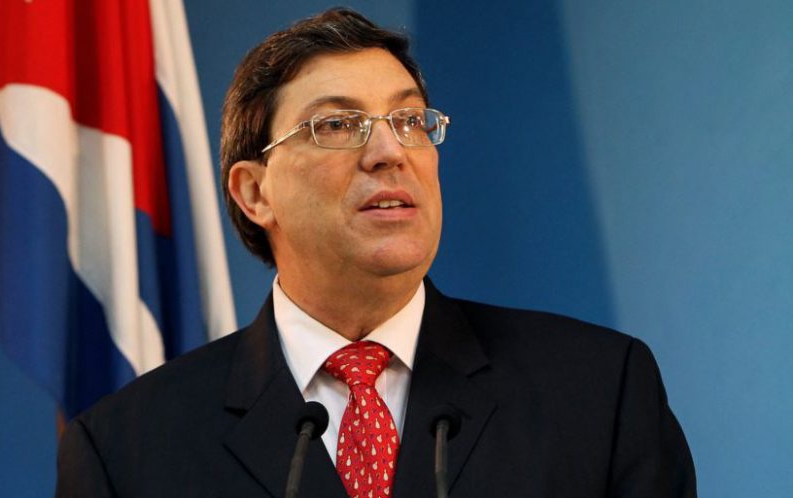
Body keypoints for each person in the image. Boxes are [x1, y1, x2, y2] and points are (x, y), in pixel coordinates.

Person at [56, 8, 696, 497]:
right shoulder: (126, 450)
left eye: (411, 121)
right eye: (338, 125)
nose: (390, 152)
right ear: (254, 192)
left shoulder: (597, 391)